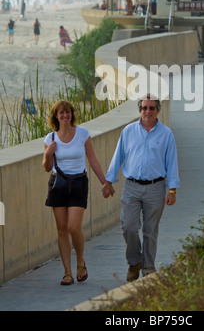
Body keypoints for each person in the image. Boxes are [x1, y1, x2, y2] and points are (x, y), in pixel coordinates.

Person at [102, 94, 180, 282]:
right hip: (132, 187)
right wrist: (109, 181)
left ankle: (148, 267)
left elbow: (172, 163)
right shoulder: (128, 131)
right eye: (144, 108)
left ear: (158, 111)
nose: (148, 111)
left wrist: (172, 190)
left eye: (152, 108)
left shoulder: (166, 134)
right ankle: (134, 261)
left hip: (156, 187)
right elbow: (118, 156)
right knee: (128, 226)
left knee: (150, 230)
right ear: (140, 110)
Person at [42, 100, 115, 286]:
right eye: (61, 113)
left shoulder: (82, 134)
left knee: (74, 227)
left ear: (72, 115)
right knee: (62, 229)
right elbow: (47, 167)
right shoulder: (50, 138)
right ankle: (67, 273)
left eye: (68, 112)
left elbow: (93, 160)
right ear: (56, 116)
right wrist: (47, 154)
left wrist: (105, 183)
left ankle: (80, 262)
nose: (65, 116)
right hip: (58, 184)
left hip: (78, 183)